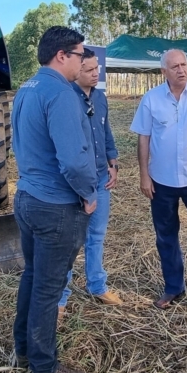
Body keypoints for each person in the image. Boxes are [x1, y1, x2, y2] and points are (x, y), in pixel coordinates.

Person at [11, 26, 98, 373]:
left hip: (28, 197)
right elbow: (74, 162)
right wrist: (89, 193)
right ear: (62, 56)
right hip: (56, 206)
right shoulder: (61, 94)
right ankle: (45, 369)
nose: (84, 61)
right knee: (48, 288)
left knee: (33, 278)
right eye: (79, 54)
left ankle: (24, 351)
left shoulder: (27, 88)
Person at [131, 49, 187, 311]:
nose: (181, 70)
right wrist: (144, 175)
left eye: (184, 64)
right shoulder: (151, 99)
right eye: (174, 66)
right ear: (164, 72)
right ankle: (173, 287)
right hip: (161, 183)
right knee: (166, 237)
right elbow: (143, 137)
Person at [58, 48, 122, 313]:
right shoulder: (65, 100)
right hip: (75, 181)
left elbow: (105, 131)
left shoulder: (100, 98)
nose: (96, 74)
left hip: (100, 176)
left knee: (97, 234)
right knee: (71, 239)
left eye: (98, 69)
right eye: (89, 70)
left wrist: (113, 161)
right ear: (75, 70)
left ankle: (97, 285)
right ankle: (60, 296)